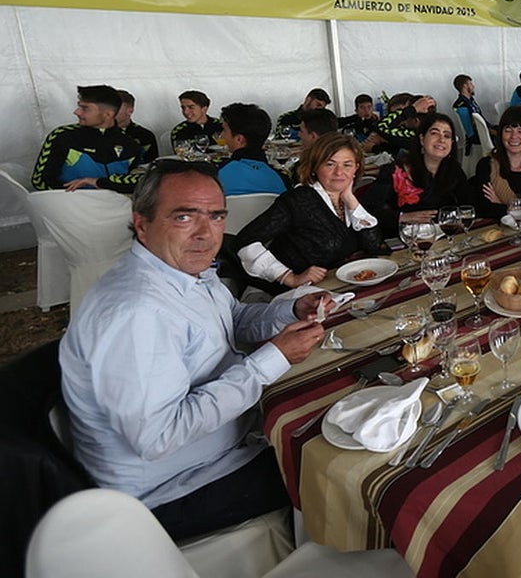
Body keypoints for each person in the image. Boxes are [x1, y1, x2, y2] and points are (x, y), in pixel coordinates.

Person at [59, 160, 329, 540]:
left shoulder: (183, 271)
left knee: (329, 414)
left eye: (216, 216)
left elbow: (231, 320)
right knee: (333, 467)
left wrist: (289, 309)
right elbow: (157, 437)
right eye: (184, 217)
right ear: (142, 223)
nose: (206, 233)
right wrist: (272, 359)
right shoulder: (136, 311)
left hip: (219, 446)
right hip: (167, 491)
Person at [235, 133, 380, 292]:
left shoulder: (349, 200)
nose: (339, 172)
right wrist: (289, 277)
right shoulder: (299, 200)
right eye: (330, 164)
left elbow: (373, 246)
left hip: (338, 287)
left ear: (356, 168)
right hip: (300, 295)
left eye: (347, 165)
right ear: (315, 167)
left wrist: (350, 199)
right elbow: (245, 241)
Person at [362, 112, 473, 236]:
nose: (441, 140)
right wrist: (402, 217)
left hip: (443, 239)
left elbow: (467, 207)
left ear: (452, 144)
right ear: (422, 139)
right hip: (403, 240)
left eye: (447, 136)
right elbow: (366, 210)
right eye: (434, 133)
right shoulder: (396, 171)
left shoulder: (454, 170)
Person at [31, 84, 140, 193]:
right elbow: (40, 182)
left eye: (85, 108)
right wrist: (78, 196)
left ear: (108, 114)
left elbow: (142, 183)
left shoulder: (130, 144)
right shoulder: (63, 136)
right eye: (79, 106)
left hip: (115, 207)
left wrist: (98, 182)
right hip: (68, 206)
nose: (77, 112)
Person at [216, 103, 288, 196]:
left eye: (224, 130)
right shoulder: (281, 179)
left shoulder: (219, 174)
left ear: (239, 139)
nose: (222, 135)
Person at [115, 90, 159, 164]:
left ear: (130, 111)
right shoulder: (96, 133)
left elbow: (152, 165)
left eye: (115, 108)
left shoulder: (145, 135)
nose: (109, 112)